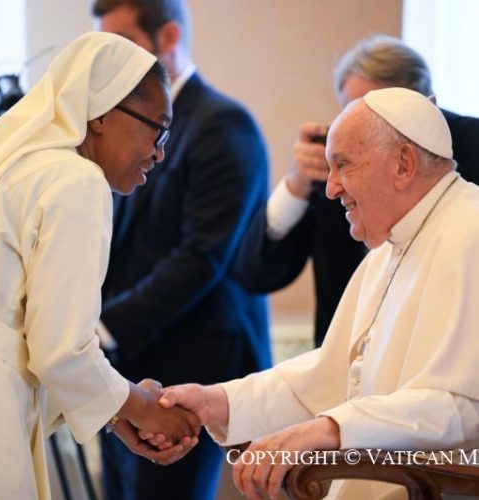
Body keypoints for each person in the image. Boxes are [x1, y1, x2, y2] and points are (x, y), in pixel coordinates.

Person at [159, 87, 479, 500]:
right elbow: (332, 376)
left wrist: (329, 429)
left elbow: (464, 407)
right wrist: (217, 401)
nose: (330, 189)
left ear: (403, 164)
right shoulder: (389, 250)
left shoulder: (470, 234)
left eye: (342, 165)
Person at [0, 32, 200, 500]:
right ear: (100, 113)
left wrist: (118, 411)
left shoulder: (12, 169)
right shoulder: (76, 179)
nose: (160, 152)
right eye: (157, 129)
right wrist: (140, 405)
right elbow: (60, 351)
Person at [91, 1, 272, 499]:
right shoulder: (114, 124)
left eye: (124, 43)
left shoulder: (222, 124)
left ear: (168, 37)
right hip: (126, 358)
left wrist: (103, 329)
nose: (112, 61)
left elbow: (203, 256)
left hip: (194, 356)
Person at [235, 34, 479, 347]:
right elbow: (255, 272)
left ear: (419, 106)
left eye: (375, 116)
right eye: (351, 110)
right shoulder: (335, 166)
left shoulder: (471, 147)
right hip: (342, 358)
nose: (334, 188)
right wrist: (296, 186)